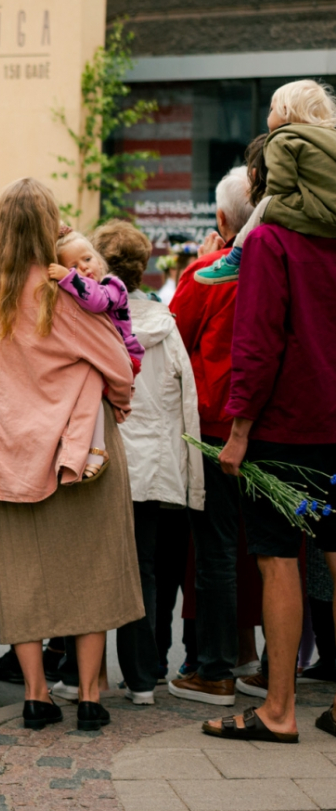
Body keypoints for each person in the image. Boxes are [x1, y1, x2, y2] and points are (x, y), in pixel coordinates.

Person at [0, 177, 141, 733]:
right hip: (82, 453)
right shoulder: (65, 288)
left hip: (7, 452)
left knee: (23, 577)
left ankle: (35, 696)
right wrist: (117, 402)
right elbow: (118, 365)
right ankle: (88, 696)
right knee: (94, 571)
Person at [210, 117, 336, 744]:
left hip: (286, 433)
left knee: (279, 560)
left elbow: (257, 347)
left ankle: (278, 708)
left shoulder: (271, 243)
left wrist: (238, 432)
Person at [95, 220, 204, 707]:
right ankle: (145, 676)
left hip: (107, 463)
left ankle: (86, 674)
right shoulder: (167, 325)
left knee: (97, 567)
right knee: (147, 569)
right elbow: (188, 403)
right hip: (159, 465)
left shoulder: (96, 323)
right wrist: (191, 480)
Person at [167, 160, 258, 708]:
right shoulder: (289, 262)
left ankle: (216, 669)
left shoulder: (210, 272)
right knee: (272, 552)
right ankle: (266, 663)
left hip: (216, 426)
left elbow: (176, 338)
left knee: (217, 549)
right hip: (274, 425)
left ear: (223, 218)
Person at [195, 79, 336, 286]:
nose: (268, 115)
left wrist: (269, 201)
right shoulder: (329, 138)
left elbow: (281, 187)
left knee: (266, 205)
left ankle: (235, 258)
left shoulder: (282, 138)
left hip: (316, 213)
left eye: (271, 109)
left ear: (285, 111)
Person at [49, 229, 144, 481]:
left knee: (90, 389)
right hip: (101, 355)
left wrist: (68, 276)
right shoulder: (79, 290)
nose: (83, 267)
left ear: (98, 259)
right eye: (74, 265)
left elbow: (97, 302)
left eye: (87, 259)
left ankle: (97, 449)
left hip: (124, 356)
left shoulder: (113, 287)